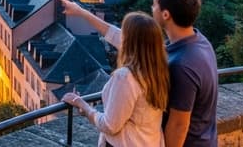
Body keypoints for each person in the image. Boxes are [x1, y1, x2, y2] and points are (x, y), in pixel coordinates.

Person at [62, 0, 219, 147]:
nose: (151, 8)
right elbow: (122, 39)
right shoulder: (198, 43)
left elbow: (179, 124)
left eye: (155, 4)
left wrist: (83, 106)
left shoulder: (182, 65)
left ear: (166, 14)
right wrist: (82, 12)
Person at [63, 12, 168, 147]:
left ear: (128, 41)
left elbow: (110, 126)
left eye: (124, 33)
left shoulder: (126, 77)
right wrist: (79, 10)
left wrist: (82, 105)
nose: (121, 37)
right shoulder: (159, 70)